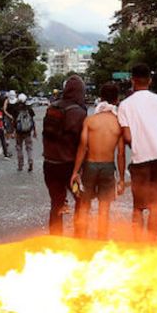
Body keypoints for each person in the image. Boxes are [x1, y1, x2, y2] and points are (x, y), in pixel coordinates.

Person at [117, 64, 157, 239]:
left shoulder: (125, 105)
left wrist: (141, 143)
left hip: (141, 160)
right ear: (150, 80)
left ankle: (138, 244)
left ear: (132, 80)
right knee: (155, 205)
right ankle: (151, 243)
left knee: (138, 206)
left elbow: (127, 136)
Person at [71, 83, 126, 240]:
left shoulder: (90, 121)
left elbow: (82, 148)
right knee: (104, 208)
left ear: (101, 98)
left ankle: (81, 239)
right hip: (108, 167)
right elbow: (121, 154)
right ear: (116, 100)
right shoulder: (118, 123)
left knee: (84, 205)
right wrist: (122, 179)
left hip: (90, 165)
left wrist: (75, 172)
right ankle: (101, 241)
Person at [42, 75, 87, 235]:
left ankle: (55, 241)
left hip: (50, 165)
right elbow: (82, 143)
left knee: (56, 203)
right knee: (81, 200)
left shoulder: (52, 108)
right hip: (69, 167)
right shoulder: (78, 112)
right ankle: (79, 237)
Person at [11, 93, 37, 172]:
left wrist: (13, 131)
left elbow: (13, 121)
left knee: (19, 148)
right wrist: (35, 131)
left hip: (18, 132)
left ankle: (20, 165)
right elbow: (32, 120)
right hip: (28, 131)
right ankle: (30, 161)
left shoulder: (15, 109)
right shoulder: (29, 109)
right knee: (29, 147)